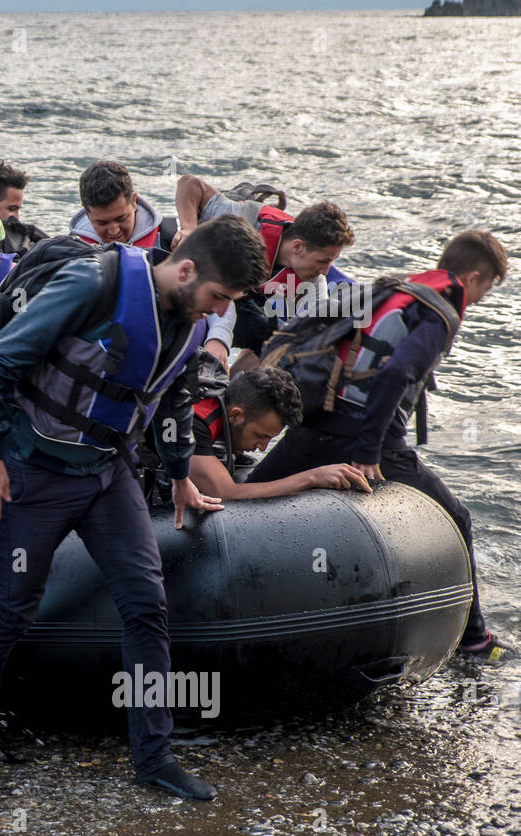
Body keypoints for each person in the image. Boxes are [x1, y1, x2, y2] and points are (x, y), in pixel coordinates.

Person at [0, 215, 271, 800]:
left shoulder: (189, 320)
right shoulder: (90, 284)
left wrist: (178, 474)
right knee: (14, 603)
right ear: (186, 269)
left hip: (106, 471)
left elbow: (172, 392)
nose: (215, 311)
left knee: (147, 605)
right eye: (217, 297)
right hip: (35, 469)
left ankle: (154, 757)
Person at [247, 230, 509, 659]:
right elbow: (394, 375)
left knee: (247, 498)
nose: (480, 299)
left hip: (319, 423)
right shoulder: (442, 310)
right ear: (475, 277)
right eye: (486, 289)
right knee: (457, 517)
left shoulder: (404, 287)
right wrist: (368, 453)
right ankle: (474, 639)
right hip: (371, 438)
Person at [174, 174, 355, 371]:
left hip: (239, 300)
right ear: (297, 247)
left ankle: (230, 389)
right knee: (211, 332)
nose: (326, 270)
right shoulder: (244, 222)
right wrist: (189, 229)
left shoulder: (312, 277)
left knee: (278, 340)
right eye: (324, 261)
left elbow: (315, 321)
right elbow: (189, 184)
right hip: (195, 291)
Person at [72, 161, 236, 368]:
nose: (114, 231)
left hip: (171, 355)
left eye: (121, 218)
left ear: (133, 201)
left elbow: (218, 294)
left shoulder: (172, 241)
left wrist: (217, 340)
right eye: (102, 223)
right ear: (87, 213)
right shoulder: (74, 251)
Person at [185, 363, 371, 499]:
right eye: (260, 436)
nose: (262, 448)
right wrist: (313, 477)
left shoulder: (224, 398)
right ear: (235, 415)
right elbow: (225, 492)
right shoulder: (196, 420)